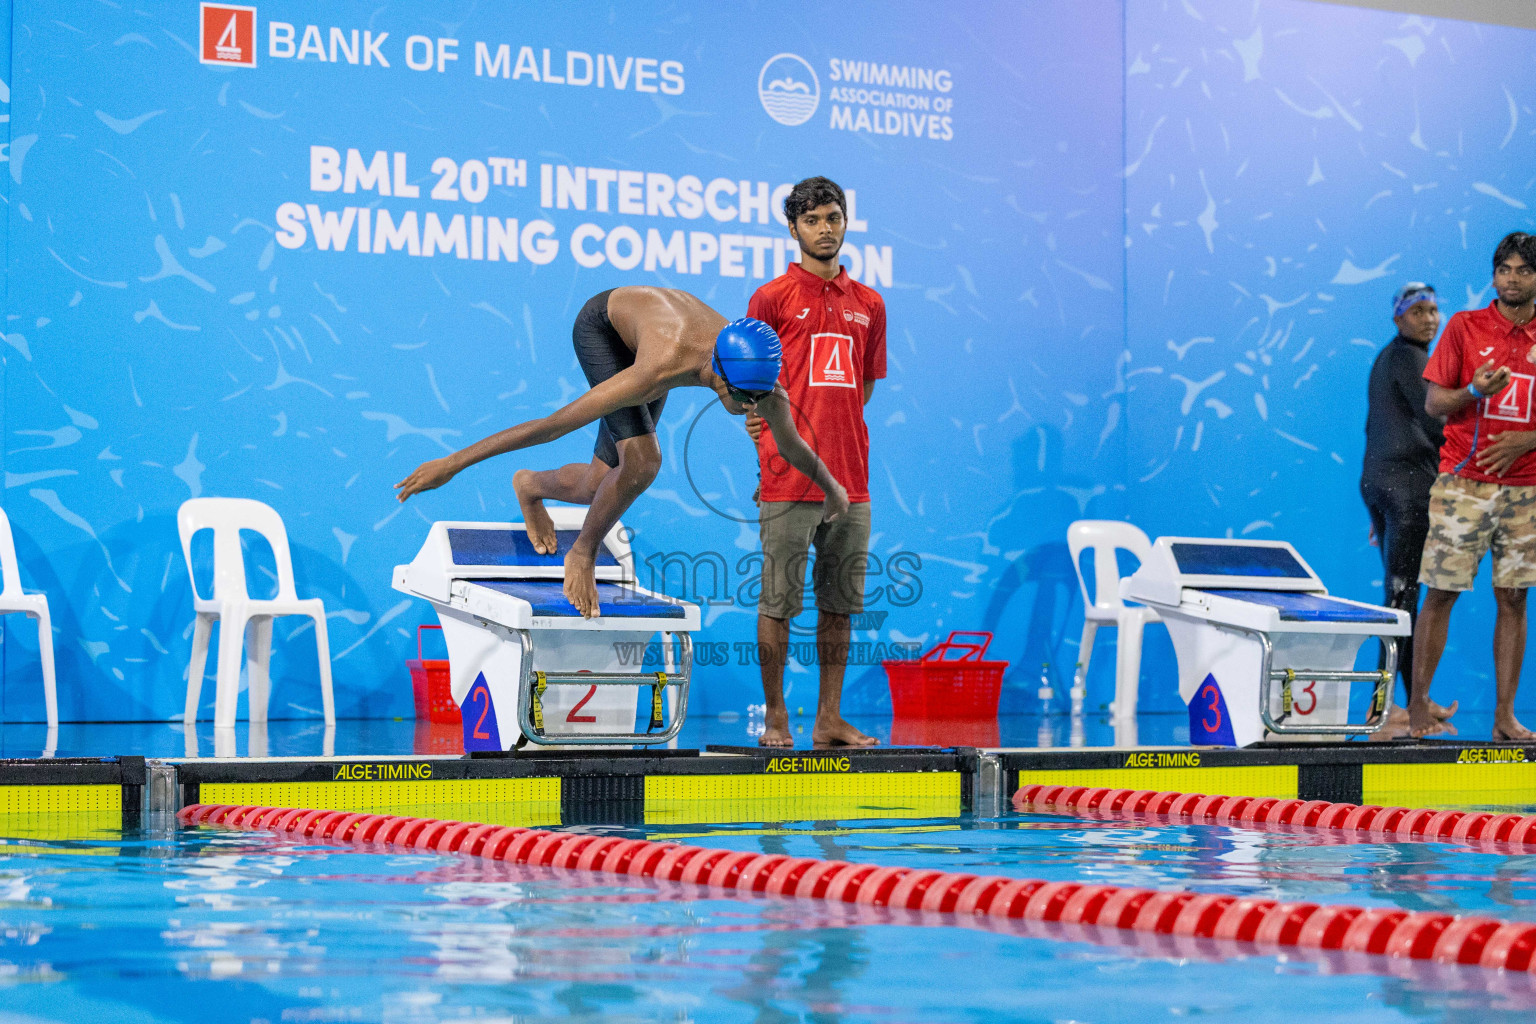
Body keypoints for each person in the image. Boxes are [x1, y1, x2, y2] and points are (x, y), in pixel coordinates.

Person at [394, 288, 849, 618]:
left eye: (758, 397)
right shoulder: (660, 367)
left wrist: (832, 489)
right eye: (742, 397)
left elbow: (790, 442)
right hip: (605, 328)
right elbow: (552, 426)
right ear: (715, 370)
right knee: (644, 460)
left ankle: (530, 485)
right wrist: (451, 464)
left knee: (599, 483)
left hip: (652, 333)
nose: (751, 408)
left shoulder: (758, 378)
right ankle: (582, 554)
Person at [743, 176, 886, 748]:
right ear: (794, 228)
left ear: (845, 221)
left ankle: (828, 718)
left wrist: (833, 424)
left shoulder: (870, 304)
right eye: (813, 220)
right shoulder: (771, 298)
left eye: (834, 217)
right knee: (778, 603)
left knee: (840, 605)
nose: (825, 229)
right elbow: (748, 384)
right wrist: (768, 434)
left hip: (851, 480)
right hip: (787, 477)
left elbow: (864, 388)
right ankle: (776, 716)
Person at [1409, 232, 1536, 740]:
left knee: (1514, 599)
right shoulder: (1465, 327)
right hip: (1464, 484)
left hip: (1526, 491)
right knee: (1440, 593)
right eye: (1503, 268)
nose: (1511, 278)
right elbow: (1435, 404)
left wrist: (1527, 441)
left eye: (1523, 270)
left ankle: (1504, 718)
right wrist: (1472, 391)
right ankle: (1418, 706)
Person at [1360, 282, 1457, 737]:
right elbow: (1434, 423)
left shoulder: (1388, 359)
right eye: (1418, 311)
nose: (1429, 318)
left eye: (1434, 310)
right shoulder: (1411, 359)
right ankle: (1385, 705)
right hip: (1407, 487)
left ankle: (1406, 700)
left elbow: (1373, 427)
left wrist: (1379, 506)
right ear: (1399, 317)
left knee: (1402, 595)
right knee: (1402, 598)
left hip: (1383, 484)